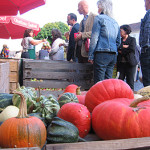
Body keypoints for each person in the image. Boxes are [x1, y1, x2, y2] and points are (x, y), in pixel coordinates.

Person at [88, 0, 121, 84]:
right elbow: (118, 41)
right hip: (113, 54)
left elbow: (94, 38)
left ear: (103, 7)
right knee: (108, 82)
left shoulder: (99, 18)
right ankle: (108, 97)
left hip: (101, 53)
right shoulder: (115, 22)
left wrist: (91, 55)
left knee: (99, 83)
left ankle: (99, 97)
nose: (97, 9)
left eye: (98, 7)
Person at [117, 25, 137, 90]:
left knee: (130, 82)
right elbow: (117, 47)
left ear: (125, 31)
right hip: (121, 64)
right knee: (120, 81)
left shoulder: (132, 39)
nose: (119, 32)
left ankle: (131, 97)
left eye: (121, 31)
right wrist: (125, 47)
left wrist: (121, 50)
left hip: (130, 64)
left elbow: (132, 49)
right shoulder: (119, 40)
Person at [139, 0, 150, 87]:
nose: (144, 5)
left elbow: (147, 30)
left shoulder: (149, 14)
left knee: (148, 81)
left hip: (148, 50)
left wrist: (145, 47)